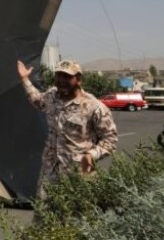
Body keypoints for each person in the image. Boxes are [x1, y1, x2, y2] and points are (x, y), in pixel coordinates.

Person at [17, 59, 118, 200]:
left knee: (76, 218)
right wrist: (25, 79)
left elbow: (110, 140)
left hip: (77, 175)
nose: (61, 80)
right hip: (49, 172)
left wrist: (91, 155)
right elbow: (37, 100)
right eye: (59, 75)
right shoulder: (52, 96)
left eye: (67, 76)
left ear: (78, 80)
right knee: (44, 217)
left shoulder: (94, 107)